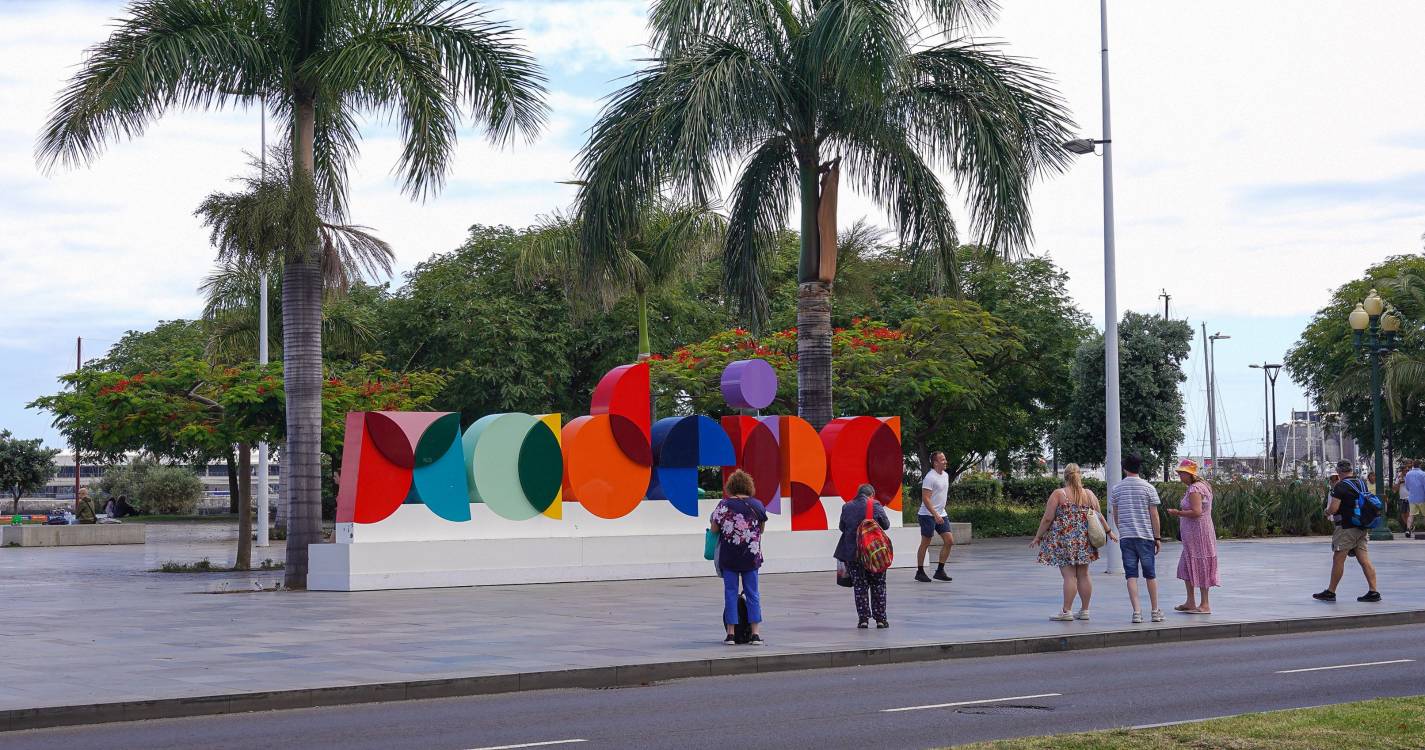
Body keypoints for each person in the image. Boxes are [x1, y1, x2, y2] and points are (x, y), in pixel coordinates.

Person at [1032, 464, 1112, 621]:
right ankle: (1085, 610)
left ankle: (1066, 611)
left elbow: (1048, 518)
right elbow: (1099, 515)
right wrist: (1109, 532)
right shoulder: (1089, 494)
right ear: (1079, 476)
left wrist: (1038, 536)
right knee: (1084, 574)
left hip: (1065, 541)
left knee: (1069, 576)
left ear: (1065, 476)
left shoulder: (1059, 494)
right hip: (1084, 541)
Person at [710, 469, 767, 645]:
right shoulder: (757, 505)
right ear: (748, 486)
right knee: (752, 593)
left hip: (730, 557)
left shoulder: (723, 506)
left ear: (731, 487)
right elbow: (762, 529)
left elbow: (714, 530)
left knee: (730, 593)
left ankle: (731, 634)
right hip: (751, 556)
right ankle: (755, 634)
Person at [1314, 460, 1382, 602]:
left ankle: (1331, 592)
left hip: (1346, 528)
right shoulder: (1361, 483)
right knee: (1364, 560)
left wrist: (1326, 512)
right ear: (1351, 470)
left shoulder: (1340, 486)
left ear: (1339, 472)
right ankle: (1374, 591)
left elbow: (1334, 508)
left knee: (1338, 559)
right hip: (1361, 527)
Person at [1110, 454, 1163, 624]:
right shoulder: (1148, 488)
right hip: (1146, 537)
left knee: (1131, 575)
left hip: (1126, 537)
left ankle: (1137, 612)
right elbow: (1154, 515)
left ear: (1125, 468)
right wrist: (1157, 537)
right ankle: (1155, 611)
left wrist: (1122, 530)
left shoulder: (1116, 489)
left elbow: (1116, 516)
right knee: (1150, 574)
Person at [835, 483, 892, 629]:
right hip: (874, 554)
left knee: (860, 586)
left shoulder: (847, 506)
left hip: (853, 554)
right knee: (878, 584)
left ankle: (863, 619)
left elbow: (842, 527)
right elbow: (886, 525)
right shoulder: (875, 505)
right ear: (871, 494)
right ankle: (880, 619)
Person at [1167, 459, 1218, 614]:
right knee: (1186, 566)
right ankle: (1191, 601)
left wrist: (1178, 513)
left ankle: (1204, 604)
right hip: (1193, 535)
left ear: (1189, 474)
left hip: (1199, 534)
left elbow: (1197, 512)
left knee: (1201, 564)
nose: (1179, 476)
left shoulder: (1195, 489)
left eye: (1181, 473)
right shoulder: (1200, 486)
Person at [914, 451, 953, 582]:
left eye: (945, 459)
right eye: (942, 459)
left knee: (949, 541)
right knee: (926, 542)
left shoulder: (946, 475)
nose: (945, 461)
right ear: (935, 463)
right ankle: (920, 571)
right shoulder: (930, 477)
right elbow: (925, 498)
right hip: (927, 515)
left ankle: (940, 571)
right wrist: (935, 514)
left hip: (941, 514)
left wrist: (939, 513)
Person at [1403, 460, 1425, 539]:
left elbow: (1407, 486)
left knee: (1411, 515)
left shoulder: (1408, 474)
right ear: (1420, 465)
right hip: (1422, 497)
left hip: (1412, 497)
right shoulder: (1423, 474)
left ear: (1413, 465)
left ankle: (1408, 530)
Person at [1394, 463, 1411, 538]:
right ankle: (1409, 526)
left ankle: (1408, 528)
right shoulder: (1399, 477)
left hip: (1410, 497)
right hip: (1402, 497)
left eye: (1407, 470)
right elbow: (1395, 489)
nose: (1405, 472)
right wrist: (1399, 482)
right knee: (1403, 514)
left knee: (1408, 513)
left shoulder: (1410, 476)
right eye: (1404, 470)